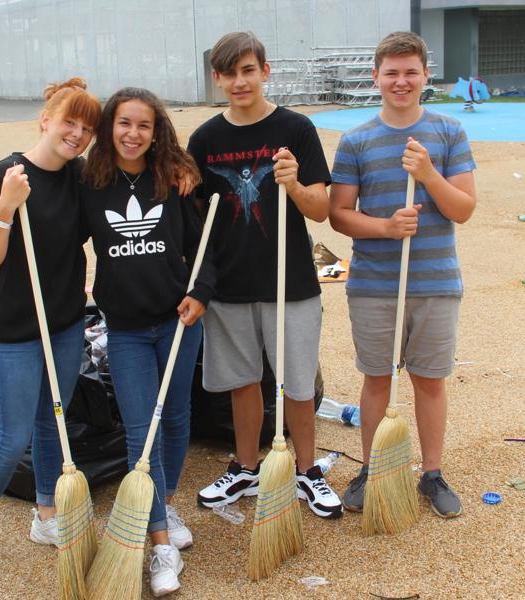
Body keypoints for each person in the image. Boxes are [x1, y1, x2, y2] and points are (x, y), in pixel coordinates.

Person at [0, 77, 101, 577]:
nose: (76, 134)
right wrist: (7, 204)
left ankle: (46, 515)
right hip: (15, 327)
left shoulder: (80, 178)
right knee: (10, 437)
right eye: (68, 121)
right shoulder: (3, 175)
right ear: (45, 119)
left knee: (54, 422)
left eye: (86, 127)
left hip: (66, 323)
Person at [188, 32, 342, 519]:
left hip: (289, 282)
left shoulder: (295, 129)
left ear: (265, 71)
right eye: (229, 73)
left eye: (248, 70)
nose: (239, 82)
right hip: (229, 285)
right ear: (217, 78)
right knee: (242, 383)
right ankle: (246, 467)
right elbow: (191, 216)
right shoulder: (206, 139)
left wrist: (294, 183)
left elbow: (320, 210)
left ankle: (308, 471)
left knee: (297, 384)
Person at [328, 31, 477, 519]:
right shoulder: (356, 141)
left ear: (425, 76)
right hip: (374, 284)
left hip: (434, 283)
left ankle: (430, 473)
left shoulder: (450, 133)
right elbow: (340, 215)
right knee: (376, 380)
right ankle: (373, 469)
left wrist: (429, 174)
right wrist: (387, 228)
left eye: (410, 71)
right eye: (391, 72)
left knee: (429, 380)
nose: (401, 81)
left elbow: (463, 209)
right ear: (376, 77)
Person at [80, 87, 212, 597]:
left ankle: (165, 499)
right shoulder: (89, 184)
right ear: (110, 125)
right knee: (142, 432)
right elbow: (58, 239)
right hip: (128, 330)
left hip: (178, 322)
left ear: (156, 131)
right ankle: (159, 543)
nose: (133, 134)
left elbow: (204, 245)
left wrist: (201, 292)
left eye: (144, 125)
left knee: (178, 416)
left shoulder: (173, 179)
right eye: (124, 123)